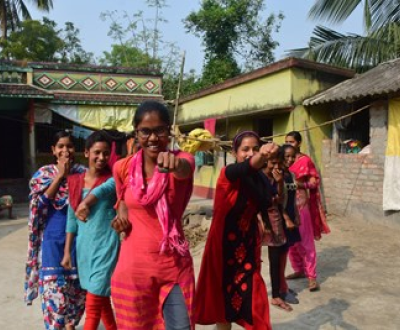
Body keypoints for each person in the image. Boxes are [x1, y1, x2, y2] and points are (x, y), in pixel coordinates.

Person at [110, 100, 195, 329]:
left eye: (160, 130)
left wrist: (175, 165)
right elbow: (123, 203)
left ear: (169, 130)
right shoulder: (122, 168)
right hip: (133, 269)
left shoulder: (183, 160)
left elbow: (184, 171)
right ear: (136, 134)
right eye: (145, 131)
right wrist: (121, 220)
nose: (153, 138)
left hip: (174, 266)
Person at [195, 131, 278, 330]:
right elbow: (247, 166)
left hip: (247, 249)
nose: (250, 153)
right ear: (234, 152)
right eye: (245, 149)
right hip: (224, 252)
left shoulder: (260, 180)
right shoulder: (228, 174)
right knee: (223, 308)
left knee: (255, 303)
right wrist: (262, 155)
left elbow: (271, 201)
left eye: (255, 148)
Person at [24, 130, 86, 330]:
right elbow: (38, 207)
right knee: (55, 304)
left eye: (69, 146)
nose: (65, 150)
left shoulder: (83, 174)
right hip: (51, 245)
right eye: (60, 146)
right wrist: (60, 177)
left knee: (76, 302)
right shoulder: (43, 175)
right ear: (53, 150)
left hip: (79, 245)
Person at [61, 131, 119, 330]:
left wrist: (86, 202)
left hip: (107, 246)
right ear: (86, 153)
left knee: (93, 305)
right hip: (85, 248)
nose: (102, 158)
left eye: (105, 153)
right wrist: (67, 252)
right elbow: (71, 220)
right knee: (101, 302)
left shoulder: (113, 180)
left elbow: (106, 193)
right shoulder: (75, 182)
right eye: (97, 153)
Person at [284, 131, 330, 292]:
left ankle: (311, 277)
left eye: (292, 141)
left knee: (306, 242)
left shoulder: (305, 161)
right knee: (290, 242)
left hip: (301, 206)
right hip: (285, 207)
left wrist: (301, 185)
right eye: (286, 141)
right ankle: (298, 269)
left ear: (299, 143)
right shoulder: (282, 161)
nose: (289, 144)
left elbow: (314, 181)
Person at [260, 150, 293, 312]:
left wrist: (279, 183)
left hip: (274, 218)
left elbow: (280, 200)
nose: (276, 166)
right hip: (257, 219)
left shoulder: (279, 177)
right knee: (252, 258)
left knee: (275, 258)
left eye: (279, 163)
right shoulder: (257, 176)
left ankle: (276, 295)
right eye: (273, 162)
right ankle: (252, 292)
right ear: (265, 161)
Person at [279, 144, 302, 303]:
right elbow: (276, 201)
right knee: (279, 255)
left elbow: (292, 196)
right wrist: (286, 218)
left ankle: (282, 285)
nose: (290, 159)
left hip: (291, 217)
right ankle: (281, 289)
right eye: (286, 156)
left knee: (285, 253)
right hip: (281, 219)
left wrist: (296, 214)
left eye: (292, 156)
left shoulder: (291, 174)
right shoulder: (277, 175)